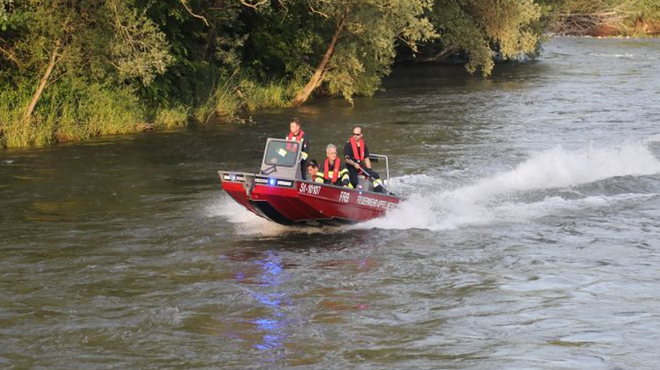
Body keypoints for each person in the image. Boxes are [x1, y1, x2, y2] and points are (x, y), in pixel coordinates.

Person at [343, 126, 384, 193]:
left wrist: (369, 170)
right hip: (351, 166)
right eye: (354, 134)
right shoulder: (348, 144)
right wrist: (354, 164)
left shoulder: (363, 145)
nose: (355, 136)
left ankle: (379, 192)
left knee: (375, 175)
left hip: (360, 166)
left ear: (361, 135)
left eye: (357, 134)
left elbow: (366, 158)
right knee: (354, 181)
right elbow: (346, 159)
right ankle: (351, 193)